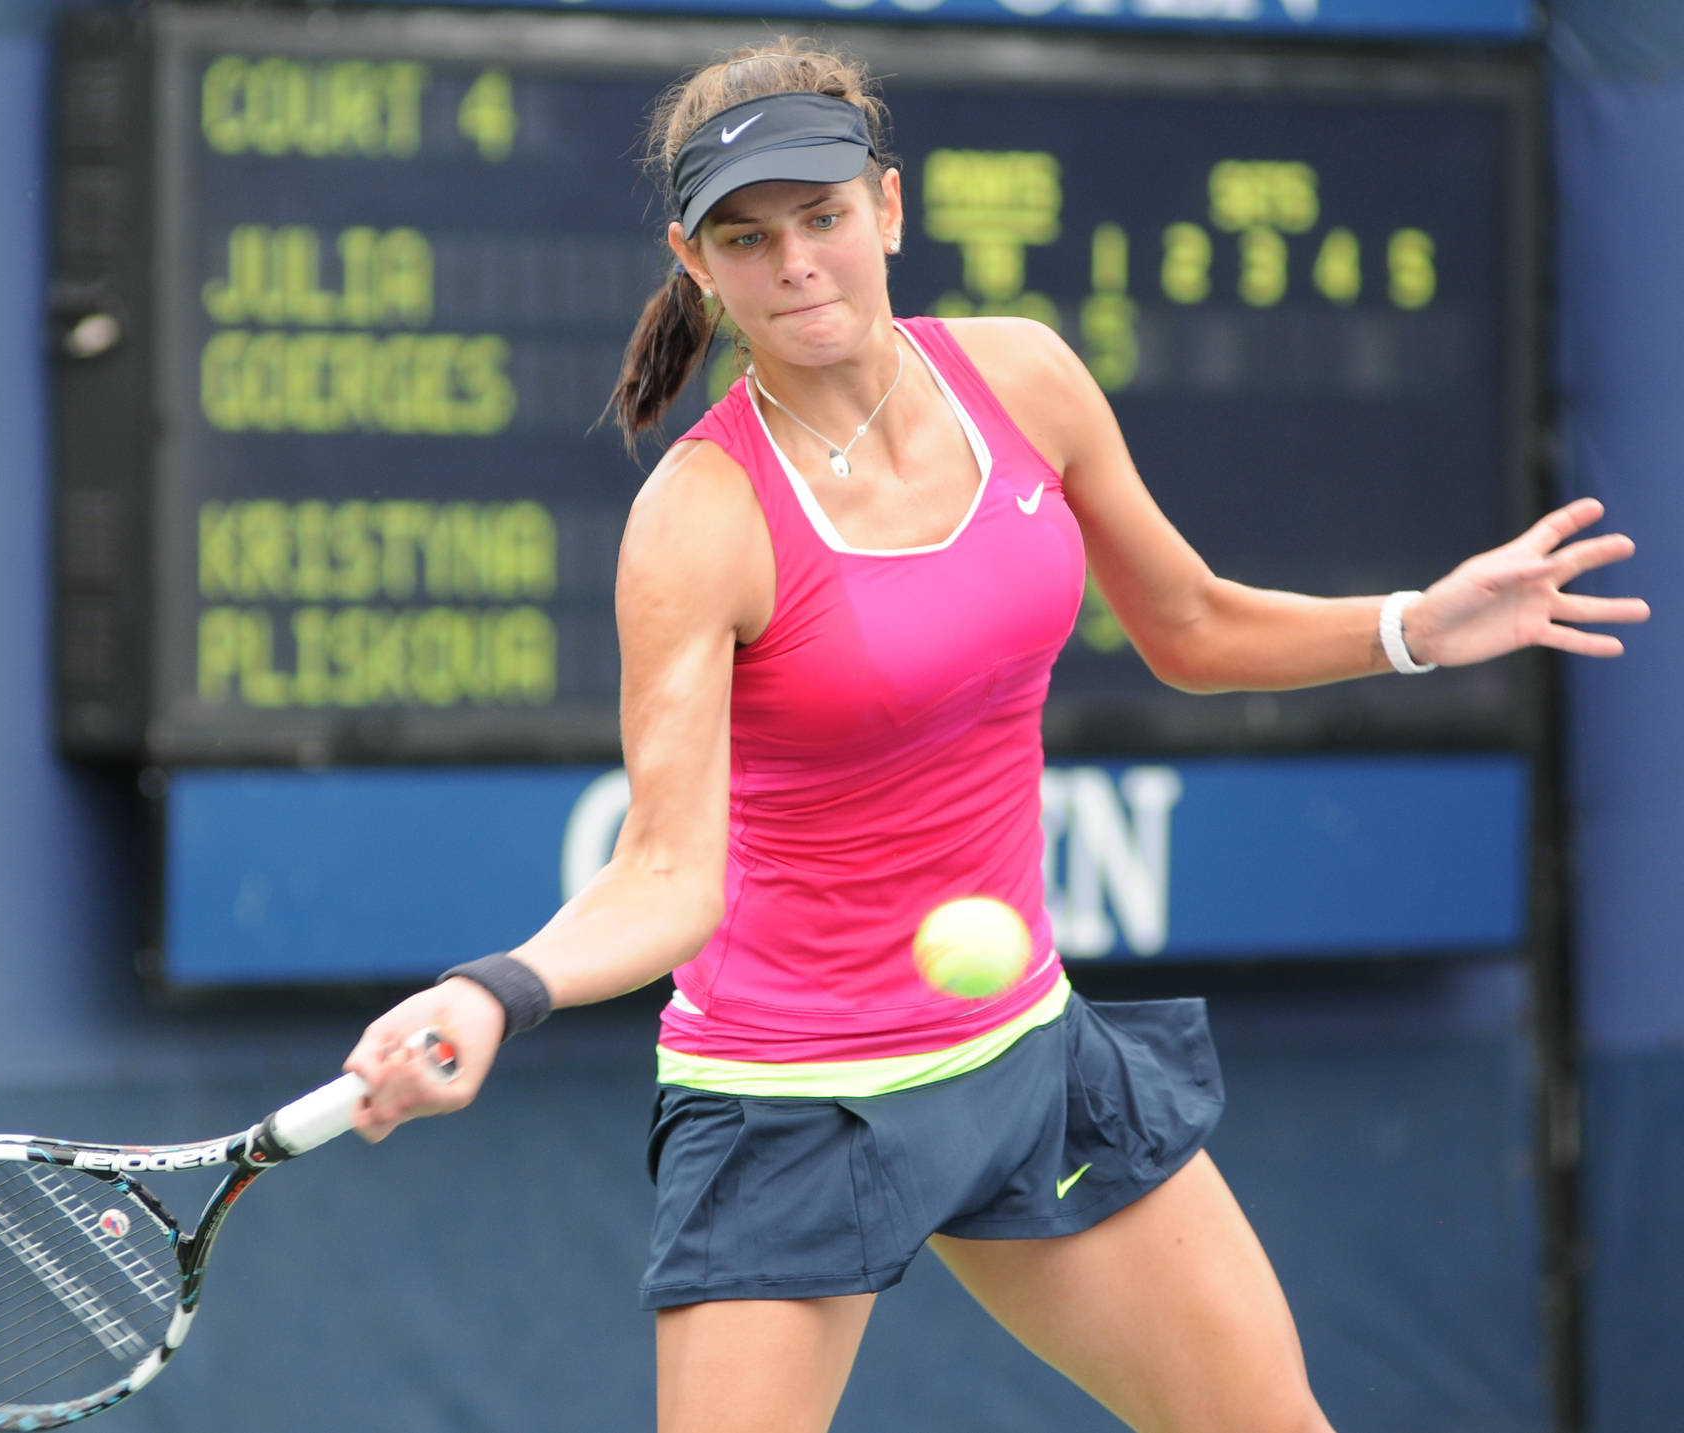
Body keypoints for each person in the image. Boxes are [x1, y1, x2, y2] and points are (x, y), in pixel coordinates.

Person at [340, 39, 1648, 1433]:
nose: (797, 263)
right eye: (748, 236)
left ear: (888, 208)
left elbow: (1190, 624)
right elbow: (668, 872)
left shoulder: (1025, 379)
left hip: (1026, 1058)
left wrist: (1411, 626)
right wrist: (493, 990)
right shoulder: (699, 518)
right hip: (792, 1100)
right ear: (697, 259)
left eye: (824, 217)